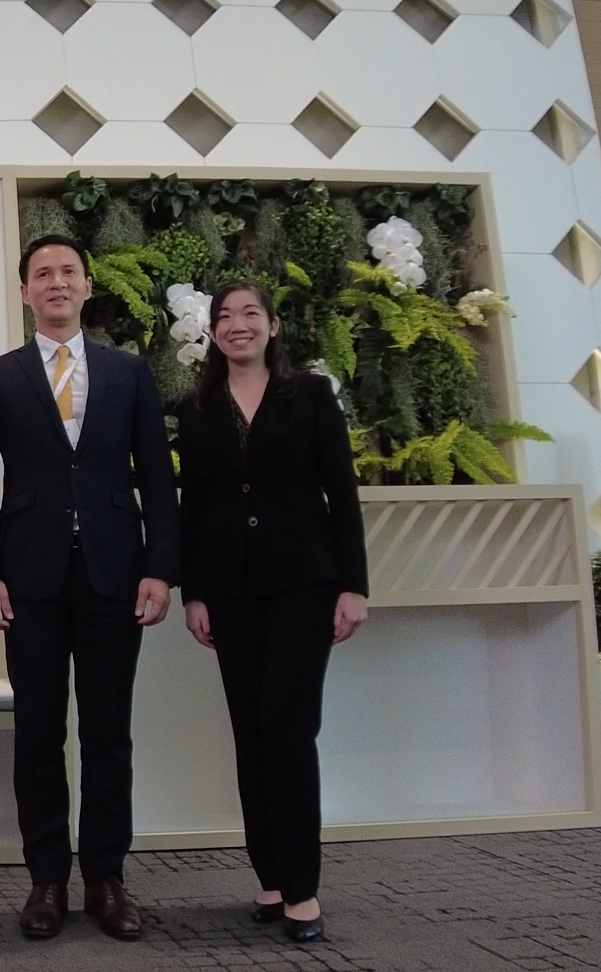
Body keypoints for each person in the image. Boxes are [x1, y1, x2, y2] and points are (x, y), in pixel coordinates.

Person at [0, 234, 179, 943]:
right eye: (42, 274)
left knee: (108, 732)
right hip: (29, 578)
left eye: (68, 272)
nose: (56, 282)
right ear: (25, 290)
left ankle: (107, 878)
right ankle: (47, 879)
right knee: (38, 732)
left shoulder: (127, 372)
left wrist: (159, 567)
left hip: (116, 574)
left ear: (87, 286)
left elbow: (157, 476)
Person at [173, 281, 368, 945]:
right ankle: (271, 878)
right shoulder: (198, 408)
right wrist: (193, 593)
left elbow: (341, 492)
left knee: (288, 729)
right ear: (213, 332)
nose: (238, 325)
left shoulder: (309, 396)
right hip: (230, 591)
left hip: (303, 586)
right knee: (250, 734)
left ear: (273, 325)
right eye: (225, 316)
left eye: (250, 313)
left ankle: (303, 887)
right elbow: (194, 507)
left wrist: (353, 586)